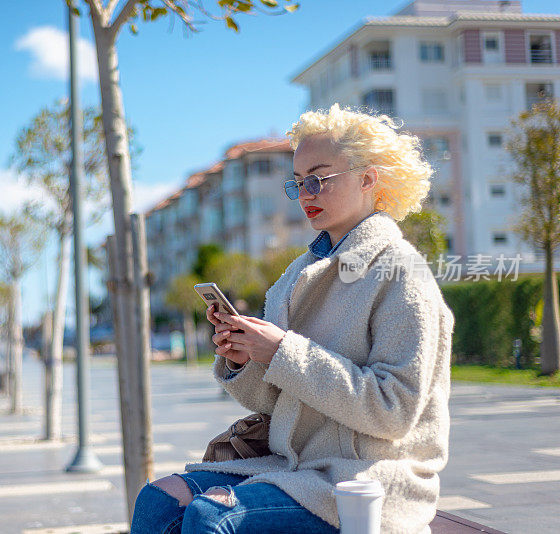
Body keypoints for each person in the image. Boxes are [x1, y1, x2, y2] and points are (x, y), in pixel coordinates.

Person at [130, 103, 455, 534]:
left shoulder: (402, 273)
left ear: (367, 178)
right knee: (158, 502)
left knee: (213, 518)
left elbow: (393, 412)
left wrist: (282, 350)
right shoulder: (295, 275)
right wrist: (245, 357)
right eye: (299, 182)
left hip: (372, 481)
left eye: (320, 179)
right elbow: (275, 403)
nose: (306, 194)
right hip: (296, 468)